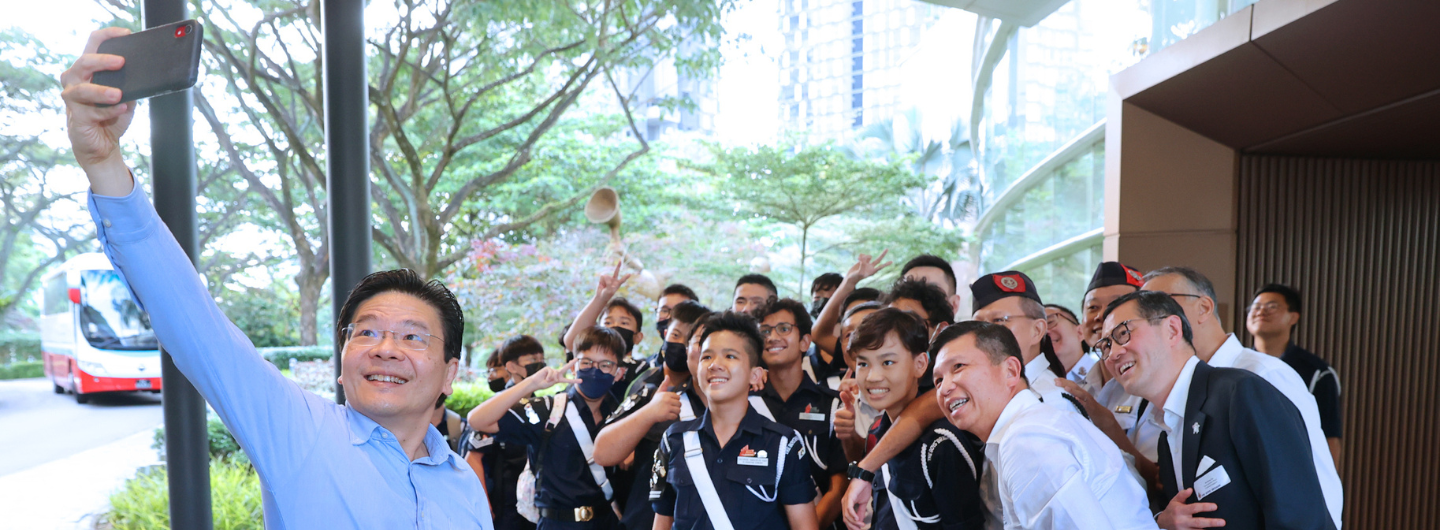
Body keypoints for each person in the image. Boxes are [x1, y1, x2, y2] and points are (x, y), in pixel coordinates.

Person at [62, 28, 489, 528]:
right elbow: (195, 324)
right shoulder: (296, 430)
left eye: (412, 337)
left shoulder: (464, 486)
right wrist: (103, 162)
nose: (385, 348)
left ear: (450, 372)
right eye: (367, 331)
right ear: (344, 356)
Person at [1097, 291, 1335, 530]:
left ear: (1171, 329)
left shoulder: (1241, 393)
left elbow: (1300, 516)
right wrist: (1163, 522)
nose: (1114, 353)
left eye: (1123, 333)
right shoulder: (1167, 429)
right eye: (1105, 345)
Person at [931, 321, 1157, 529]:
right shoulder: (1031, 426)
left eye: (958, 366)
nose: (944, 388)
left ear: (1010, 371)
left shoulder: (1027, 439)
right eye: (938, 380)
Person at [651, 312, 820, 530]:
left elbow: (804, 526)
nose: (714, 365)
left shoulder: (783, 444)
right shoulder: (675, 439)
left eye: (730, 356)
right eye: (706, 357)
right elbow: (662, 521)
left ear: (755, 375)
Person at [470, 326, 625, 529]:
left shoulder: (621, 414)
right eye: (586, 362)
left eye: (605, 364)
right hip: (557, 523)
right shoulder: (549, 409)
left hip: (607, 522)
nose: (594, 370)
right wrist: (532, 383)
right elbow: (478, 420)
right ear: (573, 367)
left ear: (619, 372)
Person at [848, 308, 986, 530]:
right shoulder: (878, 430)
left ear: (921, 364)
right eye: (863, 364)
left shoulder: (941, 443)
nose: (873, 377)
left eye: (888, 362)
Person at [592, 301, 712, 530]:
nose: (686, 346)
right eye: (677, 336)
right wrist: (648, 415)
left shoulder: (729, 392)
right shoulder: (648, 386)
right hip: (644, 517)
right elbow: (602, 452)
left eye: (695, 341)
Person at [751, 299, 849, 529]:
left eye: (784, 329)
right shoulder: (745, 403)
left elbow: (840, 483)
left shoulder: (832, 404)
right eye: (765, 331)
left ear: (805, 341)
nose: (772, 337)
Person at [1245, 283, 1342, 470]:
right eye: (1256, 307)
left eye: (1272, 306)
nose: (1261, 311)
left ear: (1293, 317)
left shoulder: (1317, 373)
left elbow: (1329, 436)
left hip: (1293, 468)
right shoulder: (1233, 365)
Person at [968, 271, 1086, 417]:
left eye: (999, 320)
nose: (983, 334)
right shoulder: (993, 391)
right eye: (977, 325)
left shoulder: (1049, 402)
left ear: (1037, 330)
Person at [468, 335, 549, 530]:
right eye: (531, 360)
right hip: (504, 503)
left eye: (541, 359)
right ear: (511, 367)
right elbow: (473, 459)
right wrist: (483, 502)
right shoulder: (495, 408)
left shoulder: (543, 404)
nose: (539, 364)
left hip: (534, 502)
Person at [562, 262, 644, 401]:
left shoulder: (642, 370)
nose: (615, 326)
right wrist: (601, 298)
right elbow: (571, 341)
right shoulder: (584, 363)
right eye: (608, 322)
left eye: (624, 323)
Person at [646, 284, 700, 370]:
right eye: (664, 310)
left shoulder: (702, 373)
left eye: (679, 312)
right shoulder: (644, 367)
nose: (669, 317)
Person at [1044, 304, 1096, 383]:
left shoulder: (1107, 375)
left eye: (1050, 322)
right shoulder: (1030, 387)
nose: (1045, 332)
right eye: (1038, 329)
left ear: (1080, 332)